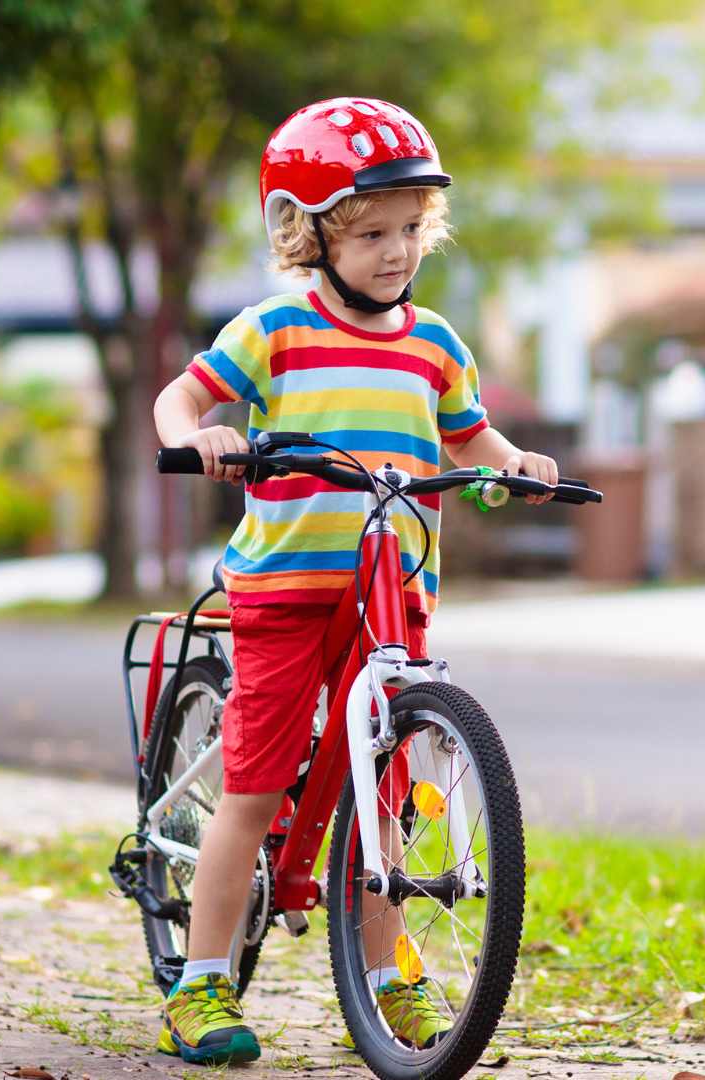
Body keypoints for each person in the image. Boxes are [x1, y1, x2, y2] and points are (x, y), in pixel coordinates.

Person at [150, 97, 561, 1065]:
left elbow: (471, 437)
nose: (396, 251)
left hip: (392, 591)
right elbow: (182, 396)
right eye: (371, 232)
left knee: (386, 801)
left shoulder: (436, 342)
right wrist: (199, 438)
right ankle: (199, 984)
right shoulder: (276, 328)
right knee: (254, 789)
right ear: (309, 234)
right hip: (288, 589)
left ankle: (389, 985)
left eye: (411, 228)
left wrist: (514, 465)